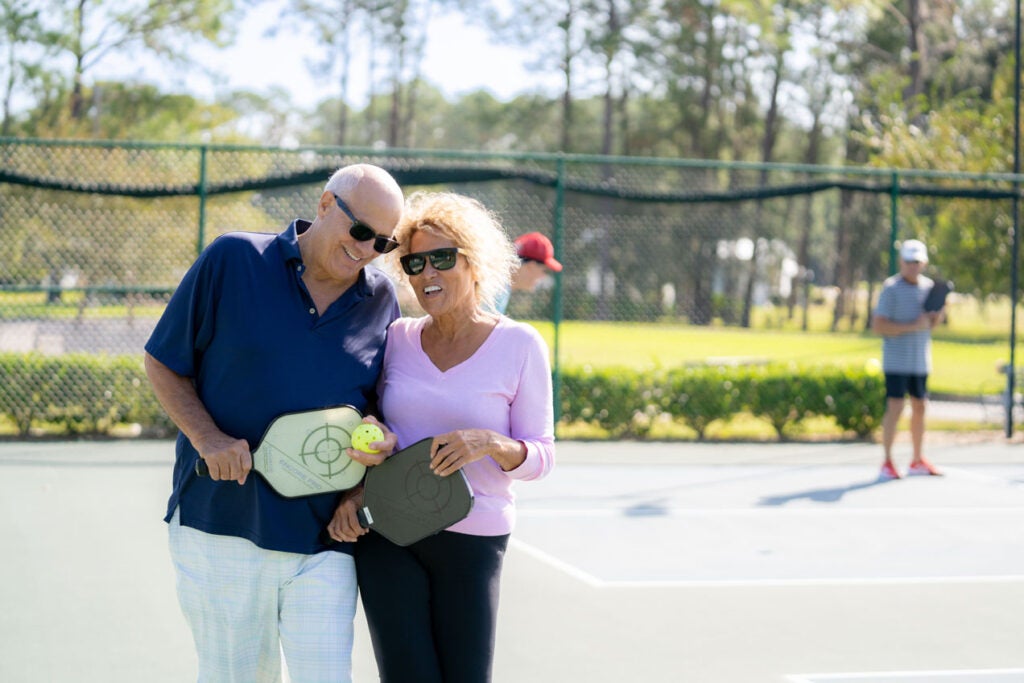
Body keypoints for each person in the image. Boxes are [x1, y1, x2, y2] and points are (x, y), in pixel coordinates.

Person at [143, 163, 405, 682]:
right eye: (360, 231)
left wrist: (371, 465)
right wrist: (208, 438)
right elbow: (164, 362)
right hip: (223, 528)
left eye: (382, 243)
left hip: (324, 542)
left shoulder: (381, 299)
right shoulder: (233, 258)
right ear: (326, 205)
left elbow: (376, 408)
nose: (366, 250)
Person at [327, 191, 557, 683]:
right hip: (389, 532)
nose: (428, 273)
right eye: (414, 263)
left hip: (474, 541)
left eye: (442, 259)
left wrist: (492, 444)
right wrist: (371, 452)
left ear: (473, 263)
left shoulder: (520, 344)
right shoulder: (397, 338)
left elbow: (541, 455)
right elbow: (372, 419)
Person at [872, 238, 945, 480]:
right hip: (896, 361)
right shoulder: (890, 288)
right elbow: (879, 325)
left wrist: (936, 317)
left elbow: (932, 324)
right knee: (895, 407)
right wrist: (912, 325)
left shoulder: (929, 288)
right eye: (908, 261)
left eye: (917, 261)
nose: (912, 265)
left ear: (923, 263)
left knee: (920, 407)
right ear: (901, 261)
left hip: (920, 361)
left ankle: (917, 460)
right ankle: (887, 462)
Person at [493, 231, 563, 314]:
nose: (543, 276)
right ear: (531, 265)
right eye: (544, 270)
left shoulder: (501, 286)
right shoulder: (496, 290)